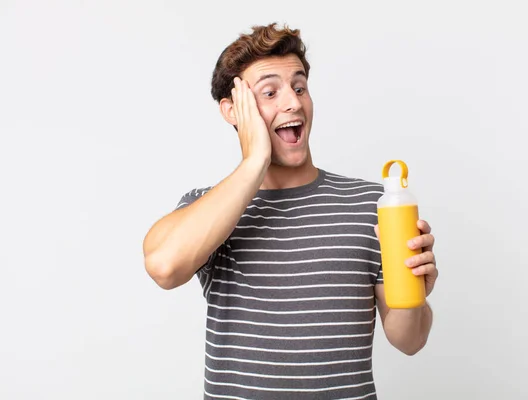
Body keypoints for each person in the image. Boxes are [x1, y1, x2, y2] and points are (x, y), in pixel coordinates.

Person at [143, 22, 439, 399]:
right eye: (270, 92)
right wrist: (254, 163)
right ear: (233, 111)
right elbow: (164, 267)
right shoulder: (208, 208)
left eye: (300, 87)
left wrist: (414, 293)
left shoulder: (372, 204)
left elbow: (409, 341)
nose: (293, 103)